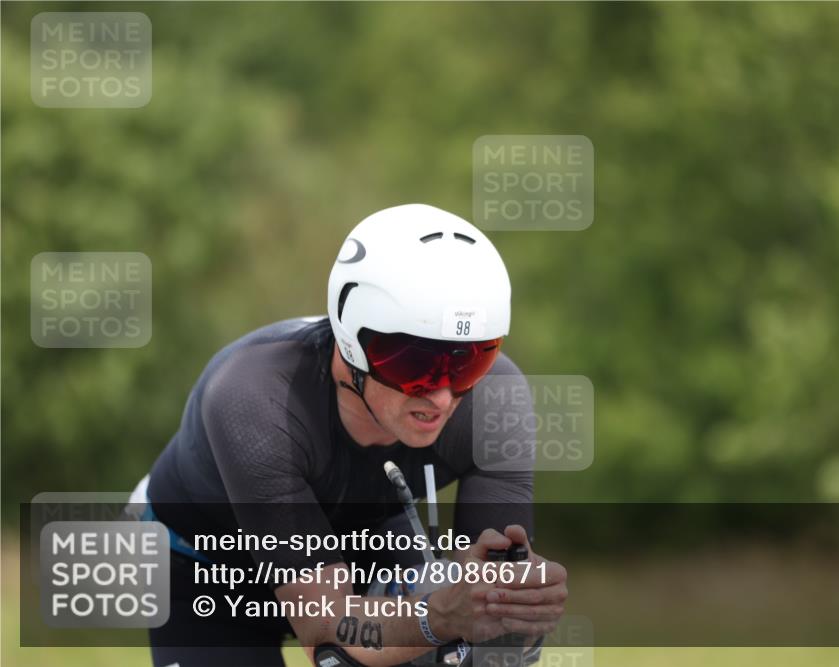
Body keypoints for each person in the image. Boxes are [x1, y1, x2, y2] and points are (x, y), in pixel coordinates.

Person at [141, 204, 568, 667]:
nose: (443, 398)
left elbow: (486, 604)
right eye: (415, 365)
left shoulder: (494, 398)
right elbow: (325, 630)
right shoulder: (255, 398)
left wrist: (512, 608)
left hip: (367, 540)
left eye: (469, 363)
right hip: (210, 570)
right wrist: (439, 616)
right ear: (352, 343)